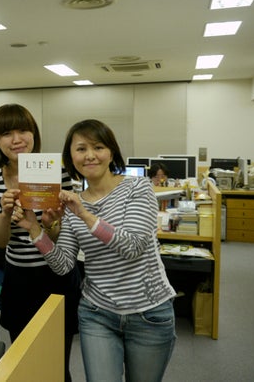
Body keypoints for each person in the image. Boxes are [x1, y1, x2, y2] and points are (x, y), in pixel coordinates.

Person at [20, 119, 176, 382]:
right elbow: (63, 265)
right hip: (97, 313)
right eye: (81, 149)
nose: (90, 155)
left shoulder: (138, 188)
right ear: (71, 158)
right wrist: (36, 230)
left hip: (149, 313)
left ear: (111, 153)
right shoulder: (71, 203)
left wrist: (84, 215)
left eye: (98, 147)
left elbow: (133, 247)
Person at [0, 104, 81, 382]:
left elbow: (62, 239)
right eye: (6, 133)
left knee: (57, 366)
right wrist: (4, 212)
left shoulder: (57, 175)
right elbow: (0, 241)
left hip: (56, 276)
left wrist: (48, 224)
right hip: (18, 279)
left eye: (23, 130)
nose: (17, 139)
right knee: (24, 363)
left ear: (34, 133)